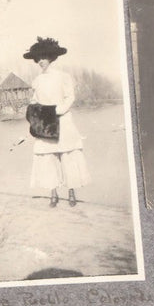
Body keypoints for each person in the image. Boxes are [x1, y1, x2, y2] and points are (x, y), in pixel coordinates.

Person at [24, 36, 90, 207]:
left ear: (51, 58)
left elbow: (70, 97)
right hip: (45, 123)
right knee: (47, 157)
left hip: (63, 120)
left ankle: (71, 192)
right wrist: (35, 110)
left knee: (68, 156)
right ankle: (53, 193)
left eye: (44, 58)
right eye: (38, 59)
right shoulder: (37, 81)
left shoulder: (63, 77)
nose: (41, 62)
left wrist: (58, 111)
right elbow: (34, 99)